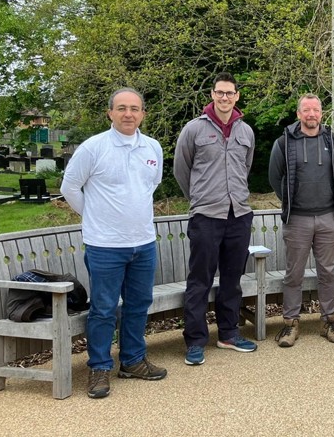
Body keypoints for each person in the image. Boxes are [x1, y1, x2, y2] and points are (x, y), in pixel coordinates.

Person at [61, 88, 166, 399]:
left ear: (143, 114)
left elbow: (151, 186)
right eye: (121, 108)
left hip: (144, 243)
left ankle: (132, 361)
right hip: (105, 246)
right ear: (110, 113)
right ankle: (99, 368)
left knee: (137, 306)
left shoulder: (153, 147)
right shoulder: (93, 148)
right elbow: (70, 187)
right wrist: (95, 218)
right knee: (104, 309)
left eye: (134, 109)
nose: (128, 114)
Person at [174, 72, 258, 366]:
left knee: (232, 280)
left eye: (230, 93)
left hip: (239, 215)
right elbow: (181, 170)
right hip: (206, 216)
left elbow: (244, 169)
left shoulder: (246, 131)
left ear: (237, 96)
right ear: (212, 95)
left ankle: (228, 334)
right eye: (219, 93)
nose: (225, 98)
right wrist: (200, 197)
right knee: (200, 280)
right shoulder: (194, 130)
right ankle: (196, 341)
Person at [269, 93, 334, 347]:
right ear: (298, 114)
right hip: (298, 220)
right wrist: (293, 201)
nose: (311, 114)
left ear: (321, 114)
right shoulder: (284, 142)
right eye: (306, 110)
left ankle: (329, 322)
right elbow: (274, 177)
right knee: (294, 275)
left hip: (327, 217)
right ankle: (291, 324)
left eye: (316, 110)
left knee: (328, 272)